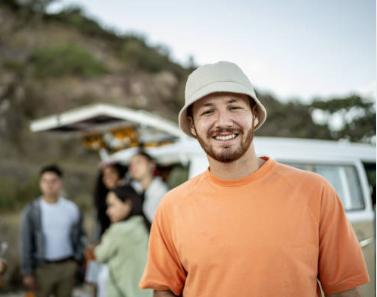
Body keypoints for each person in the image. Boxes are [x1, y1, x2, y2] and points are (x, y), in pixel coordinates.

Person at [139, 61, 369, 297]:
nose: (223, 122)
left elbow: (344, 292)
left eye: (234, 107)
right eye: (208, 111)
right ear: (192, 125)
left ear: (255, 115)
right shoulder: (172, 207)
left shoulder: (314, 191)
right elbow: (164, 293)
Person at [19, 164, 86, 297]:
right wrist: (27, 272)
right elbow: (25, 242)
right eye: (45, 181)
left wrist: (78, 261)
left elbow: (80, 236)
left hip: (67, 266)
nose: (49, 185)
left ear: (61, 183)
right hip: (42, 267)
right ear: (40, 184)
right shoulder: (32, 210)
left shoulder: (71, 209)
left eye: (54, 181)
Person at [94, 185, 152, 297]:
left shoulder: (119, 230)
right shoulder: (144, 226)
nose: (108, 211)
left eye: (112, 205)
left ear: (128, 204)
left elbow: (100, 255)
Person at [128, 151, 168, 222]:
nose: (133, 167)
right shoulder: (132, 189)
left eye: (138, 162)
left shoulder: (161, 192)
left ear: (151, 164)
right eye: (131, 164)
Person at [93, 163, 127, 241]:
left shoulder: (128, 195)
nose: (108, 177)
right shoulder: (101, 198)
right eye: (104, 174)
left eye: (112, 172)